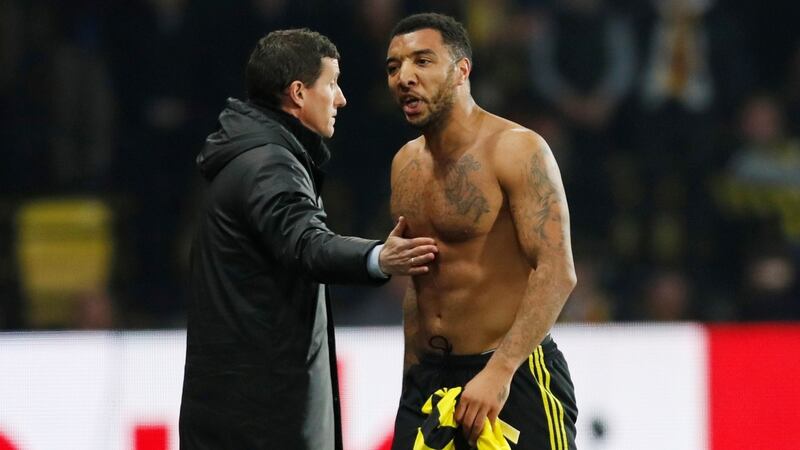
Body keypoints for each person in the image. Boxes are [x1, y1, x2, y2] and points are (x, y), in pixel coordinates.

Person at [179, 28, 438, 450]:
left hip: (241, 407)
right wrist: (379, 257)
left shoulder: (252, 153)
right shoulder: (269, 164)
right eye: (332, 84)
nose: (341, 99)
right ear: (299, 92)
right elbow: (308, 244)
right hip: (262, 418)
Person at [385, 13, 579, 449]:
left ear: (461, 70)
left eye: (422, 61)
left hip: (515, 375)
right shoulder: (405, 164)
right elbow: (420, 286)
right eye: (394, 67)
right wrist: (411, 383)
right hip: (432, 381)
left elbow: (557, 271)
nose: (405, 77)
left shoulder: (516, 148)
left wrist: (500, 370)